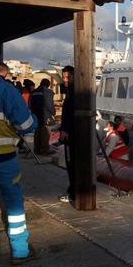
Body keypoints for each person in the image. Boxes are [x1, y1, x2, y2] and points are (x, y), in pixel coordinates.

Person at [0, 66, 38, 264]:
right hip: (4, 158)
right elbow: (26, 124)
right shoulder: (4, 89)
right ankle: (20, 250)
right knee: (13, 203)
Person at [59, 66, 75, 203]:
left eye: (67, 77)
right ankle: (73, 190)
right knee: (71, 164)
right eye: (63, 77)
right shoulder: (70, 91)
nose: (65, 79)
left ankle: (73, 193)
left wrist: (66, 130)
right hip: (71, 133)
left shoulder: (73, 93)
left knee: (72, 163)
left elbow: (72, 115)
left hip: (72, 135)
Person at [29, 79, 56, 155]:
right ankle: (44, 150)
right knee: (45, 132)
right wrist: (53, 112)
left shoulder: (33, 92)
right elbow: (49, 104)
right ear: (48, 85)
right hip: (44, 115)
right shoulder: (47, 92)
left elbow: (29, 104)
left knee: (37, 132)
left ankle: (36, 149)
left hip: (35, 114)